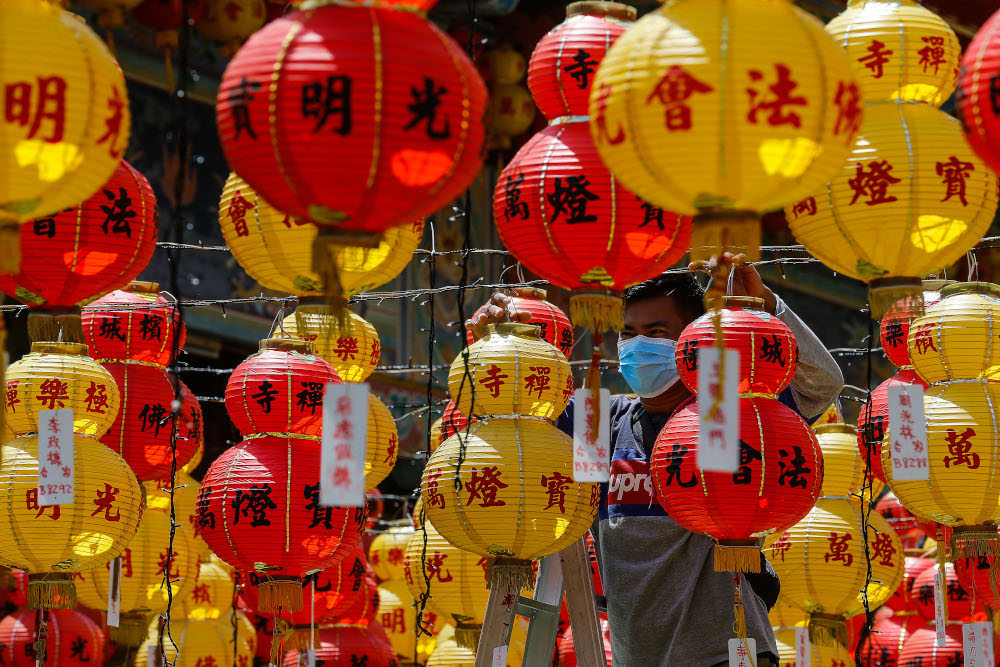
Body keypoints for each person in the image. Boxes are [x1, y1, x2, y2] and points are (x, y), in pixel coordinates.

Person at [467, 258, 844, 667]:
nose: (637, 345)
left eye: (657, 333)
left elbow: (821, 384)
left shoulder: (726, 416)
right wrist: (498, 342)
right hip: (636, 656)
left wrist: (765, 307)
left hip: (725, 652)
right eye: (628, 333)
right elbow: (515, 417)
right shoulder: (600, 425)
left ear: (694, 340)